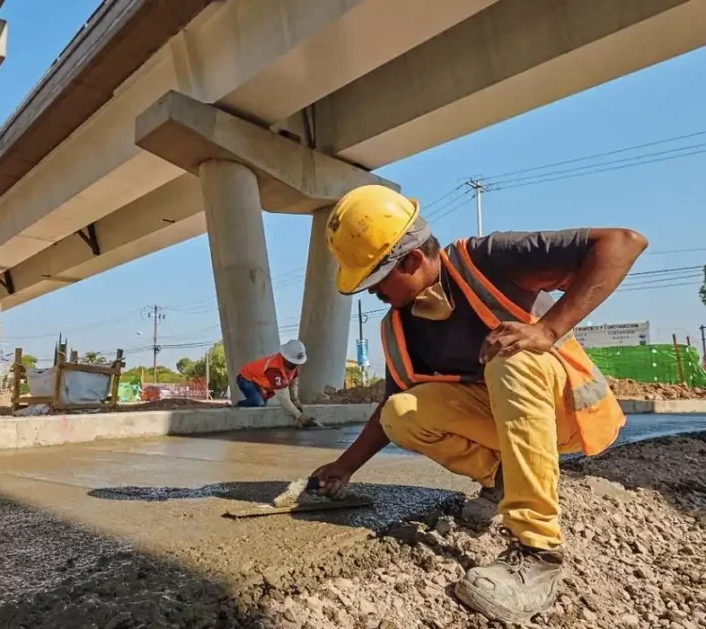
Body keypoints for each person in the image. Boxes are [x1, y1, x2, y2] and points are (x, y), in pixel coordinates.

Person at [313, 185, 645, 623]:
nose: (372, 294)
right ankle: (504, 479)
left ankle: (538, 553)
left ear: (412, 260)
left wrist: (547, 328)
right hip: (506, 425)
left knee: (513, 356)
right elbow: (390, 409)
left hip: (563, 415)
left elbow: (622, 242)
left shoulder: (486, 261)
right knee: (403, 413)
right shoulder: (400, 326)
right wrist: (345, 466)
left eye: (375, 280)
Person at [235, 339, 318, 427]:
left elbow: (293, 385)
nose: (295, 366)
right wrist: (299, 416)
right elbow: (283, 398)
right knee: (259, 403)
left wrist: (295, 401)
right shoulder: (274, 370)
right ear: (285, 358)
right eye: (293, 363)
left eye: (296, 363)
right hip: (246, 378)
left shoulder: (293, 368)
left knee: (261, 404)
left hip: (260, 382)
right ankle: (238, 405)